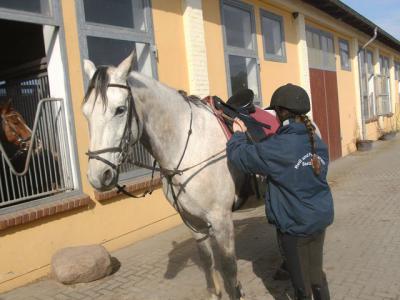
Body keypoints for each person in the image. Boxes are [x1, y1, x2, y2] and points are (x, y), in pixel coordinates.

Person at [226, 83, 334, 300]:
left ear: (282, 113)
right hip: (318, 219)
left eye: (275, 112)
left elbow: (240, 157)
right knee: (316, 276)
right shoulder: (317, 142)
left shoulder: (280, 146)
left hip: (295, 226)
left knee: (301, 286)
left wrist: (238, 134)